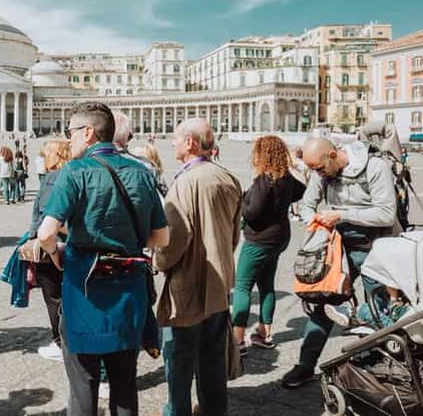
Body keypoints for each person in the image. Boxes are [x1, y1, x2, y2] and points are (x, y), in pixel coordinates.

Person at [37, 102, 169, 416]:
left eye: (71, 132)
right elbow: (162, 238)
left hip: (86, 291)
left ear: (89, 132)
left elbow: (45, 233)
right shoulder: (141, 172)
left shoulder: (74, 171)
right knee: (124, 383)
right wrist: (131, 243)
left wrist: (56, 254)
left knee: (83, 384)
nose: (69, 140)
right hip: (129, 291)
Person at [281, 136, 398, 389]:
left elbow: (387, 213)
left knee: (378, 310)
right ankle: (305, 365)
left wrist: (341, 214)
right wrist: (315, 219)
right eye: (313, 171)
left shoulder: (375, 167)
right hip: (337, 248)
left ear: (333, 154)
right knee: (322, 303)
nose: (318, 175)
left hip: (375, 248)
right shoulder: (320, 172)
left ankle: (382, 369)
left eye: (320, 169)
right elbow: (306, 206)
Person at [155, 118, 242, 416]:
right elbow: (234, 235)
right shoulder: (228, 177)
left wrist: (158, 261)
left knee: (178, 362)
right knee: (213, 359)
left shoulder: (184, 183)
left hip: (188, 286)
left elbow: (174, 241)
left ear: (190, 143)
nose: (172, 143)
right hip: (219, 284)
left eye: (176, 138)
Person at [231, 135, 305, 354]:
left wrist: (243, 202)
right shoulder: (286, 178)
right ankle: (265, 333)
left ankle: (238, 340)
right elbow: (301, 191)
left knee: (243, 286)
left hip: (259, 240)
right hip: (279, 238)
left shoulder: (264, 179)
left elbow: (253, 212)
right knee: (266, 285)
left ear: (262, 155)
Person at [20, 140, 72, 362]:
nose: (43, 157)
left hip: (51, 246)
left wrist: (46, 244)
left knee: (53, 296)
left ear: (56, 155)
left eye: (46, 153)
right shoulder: (70, 175)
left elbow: (50, 217)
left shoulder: (52, 179)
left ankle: (61, 343)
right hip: (65, 243)